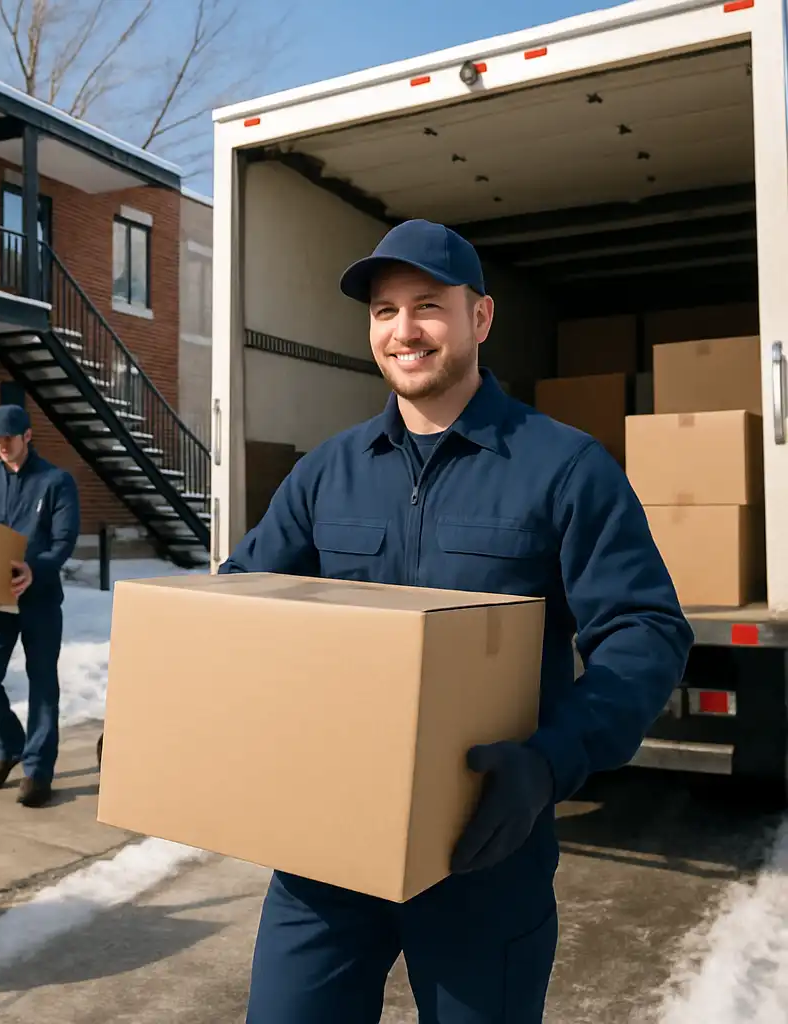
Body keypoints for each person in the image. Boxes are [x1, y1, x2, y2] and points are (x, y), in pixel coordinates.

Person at [219, 219, 694, 1022]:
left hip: (485, 856)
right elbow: (239, 607)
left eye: (428, 306)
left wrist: (549, 761)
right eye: (383, 311)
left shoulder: (564, 466)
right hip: (324, 852)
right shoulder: (324, 473)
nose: (403, 331)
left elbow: (645, 631)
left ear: (480, 318)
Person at [0, 404, 80, 809]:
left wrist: (36, 568)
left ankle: (38, 771)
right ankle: (10, 745)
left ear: (27, 436)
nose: (2, 446)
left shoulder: (56, 481)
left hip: (40, 599)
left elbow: (63, 542)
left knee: (42, 683)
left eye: (9, 439)